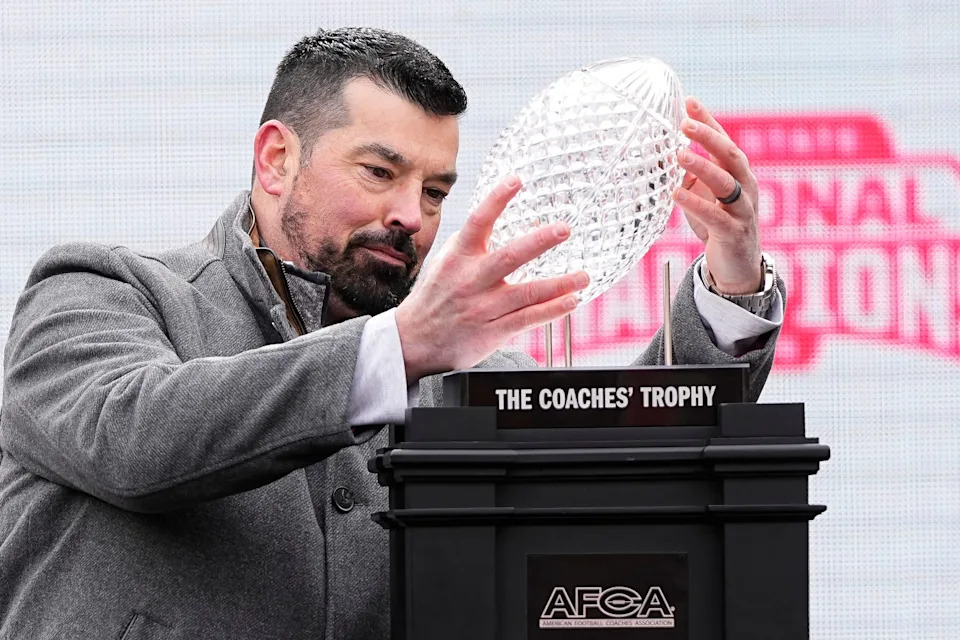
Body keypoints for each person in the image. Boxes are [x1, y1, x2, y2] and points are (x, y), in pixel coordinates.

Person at [0, 27, 783, 640]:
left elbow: (638, 447)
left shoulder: (458, 369)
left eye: (436, 188)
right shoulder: (102, 291)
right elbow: (141, 438)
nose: (413, 214)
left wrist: (732, 277)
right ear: (277, 159)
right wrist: (398, 350)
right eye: (380, 172)